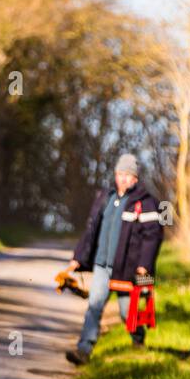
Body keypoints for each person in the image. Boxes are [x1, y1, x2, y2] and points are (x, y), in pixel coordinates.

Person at [64, 153, 164, 365]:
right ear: (115, 175)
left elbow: (152, 236)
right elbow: (91, 230)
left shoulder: (145, 202)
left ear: (135, 178)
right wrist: (77, 259)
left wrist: (144, 266)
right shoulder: (105, 197)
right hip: (102, 265)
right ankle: (84, 350)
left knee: (126, 313)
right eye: (120, 174)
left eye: (128, 175)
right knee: (94, 305)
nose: (123, 178)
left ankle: (138, 340)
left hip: (127, 268)